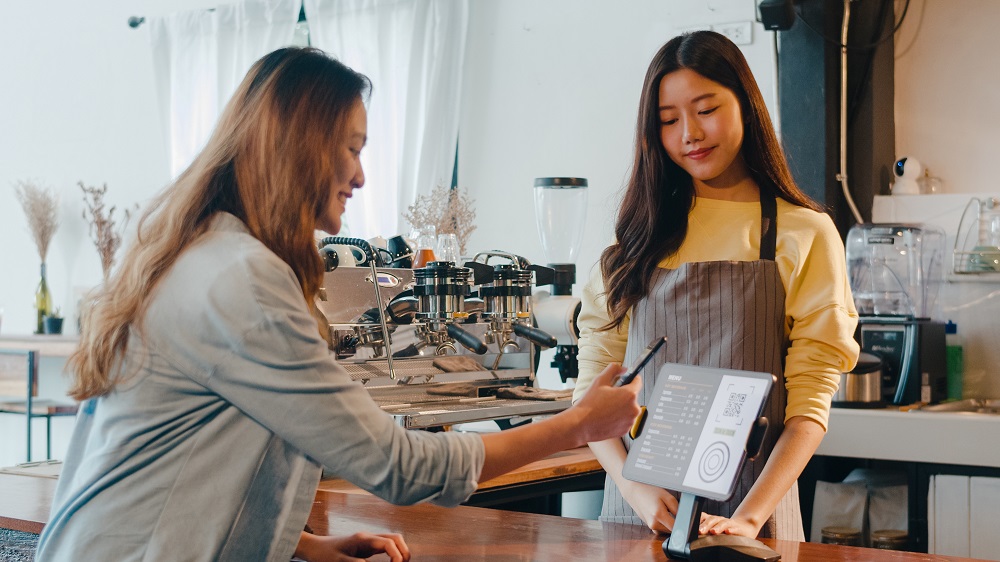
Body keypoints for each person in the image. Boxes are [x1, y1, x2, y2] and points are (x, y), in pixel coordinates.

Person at [35, 47, 642, 562]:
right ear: (300, 148)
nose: (360, 176)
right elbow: (398, 466)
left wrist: (300, 543)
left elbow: (197, 451)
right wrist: (576, 424)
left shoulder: (201, 251)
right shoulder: (243, 280)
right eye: (351, 149)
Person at [571, 30, 860, 541]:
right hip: (636, 517)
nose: (690, 133)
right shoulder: (637, 241)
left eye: (706, 109)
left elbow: (810, 404)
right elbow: (592, 390)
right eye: (668, 120)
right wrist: (637, 491)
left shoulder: (804, 233)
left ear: (746, 104)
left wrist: (748, 517)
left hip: (754, 517)